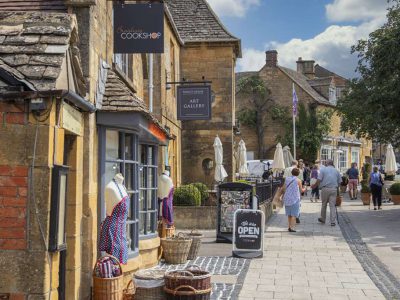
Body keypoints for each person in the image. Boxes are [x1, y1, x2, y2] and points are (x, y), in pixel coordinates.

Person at [99, 173, 130, 264]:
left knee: (119, 258)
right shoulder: (110, 187)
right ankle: (112, 276)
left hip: (121, 229)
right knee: (114, 259)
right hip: (112, 228)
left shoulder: (123, 187)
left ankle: (116, 276)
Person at [312, 159, 341, 226]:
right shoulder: (336, 171)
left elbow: (319, 180)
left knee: (324, 204)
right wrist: (337, 189)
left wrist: (314, 186)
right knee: (332, 205)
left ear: (327, 163)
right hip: (334, 189)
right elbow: (339, 182)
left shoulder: (323, 170)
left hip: (325, 189)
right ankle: (332, 221)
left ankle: (323, 218)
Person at [282, 168, 305, 232]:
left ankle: (289, 226)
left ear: (291, 172)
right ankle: (292, 228)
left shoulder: (287, 179)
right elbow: (301, 190)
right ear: (298, 174)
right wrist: (305, 188)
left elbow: (283, 188)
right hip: (295, 199)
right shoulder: (298, 180)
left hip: (287, 198)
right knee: (294, 214)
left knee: (289, 214)